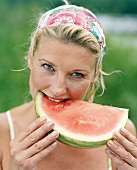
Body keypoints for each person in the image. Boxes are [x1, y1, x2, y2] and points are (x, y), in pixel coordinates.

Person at [0, 1, 136, 170]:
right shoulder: (3, 131)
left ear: (95, 75)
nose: (58, 89)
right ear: (30, 58)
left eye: (77, 75)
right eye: (48, 67)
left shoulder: (121, 135)